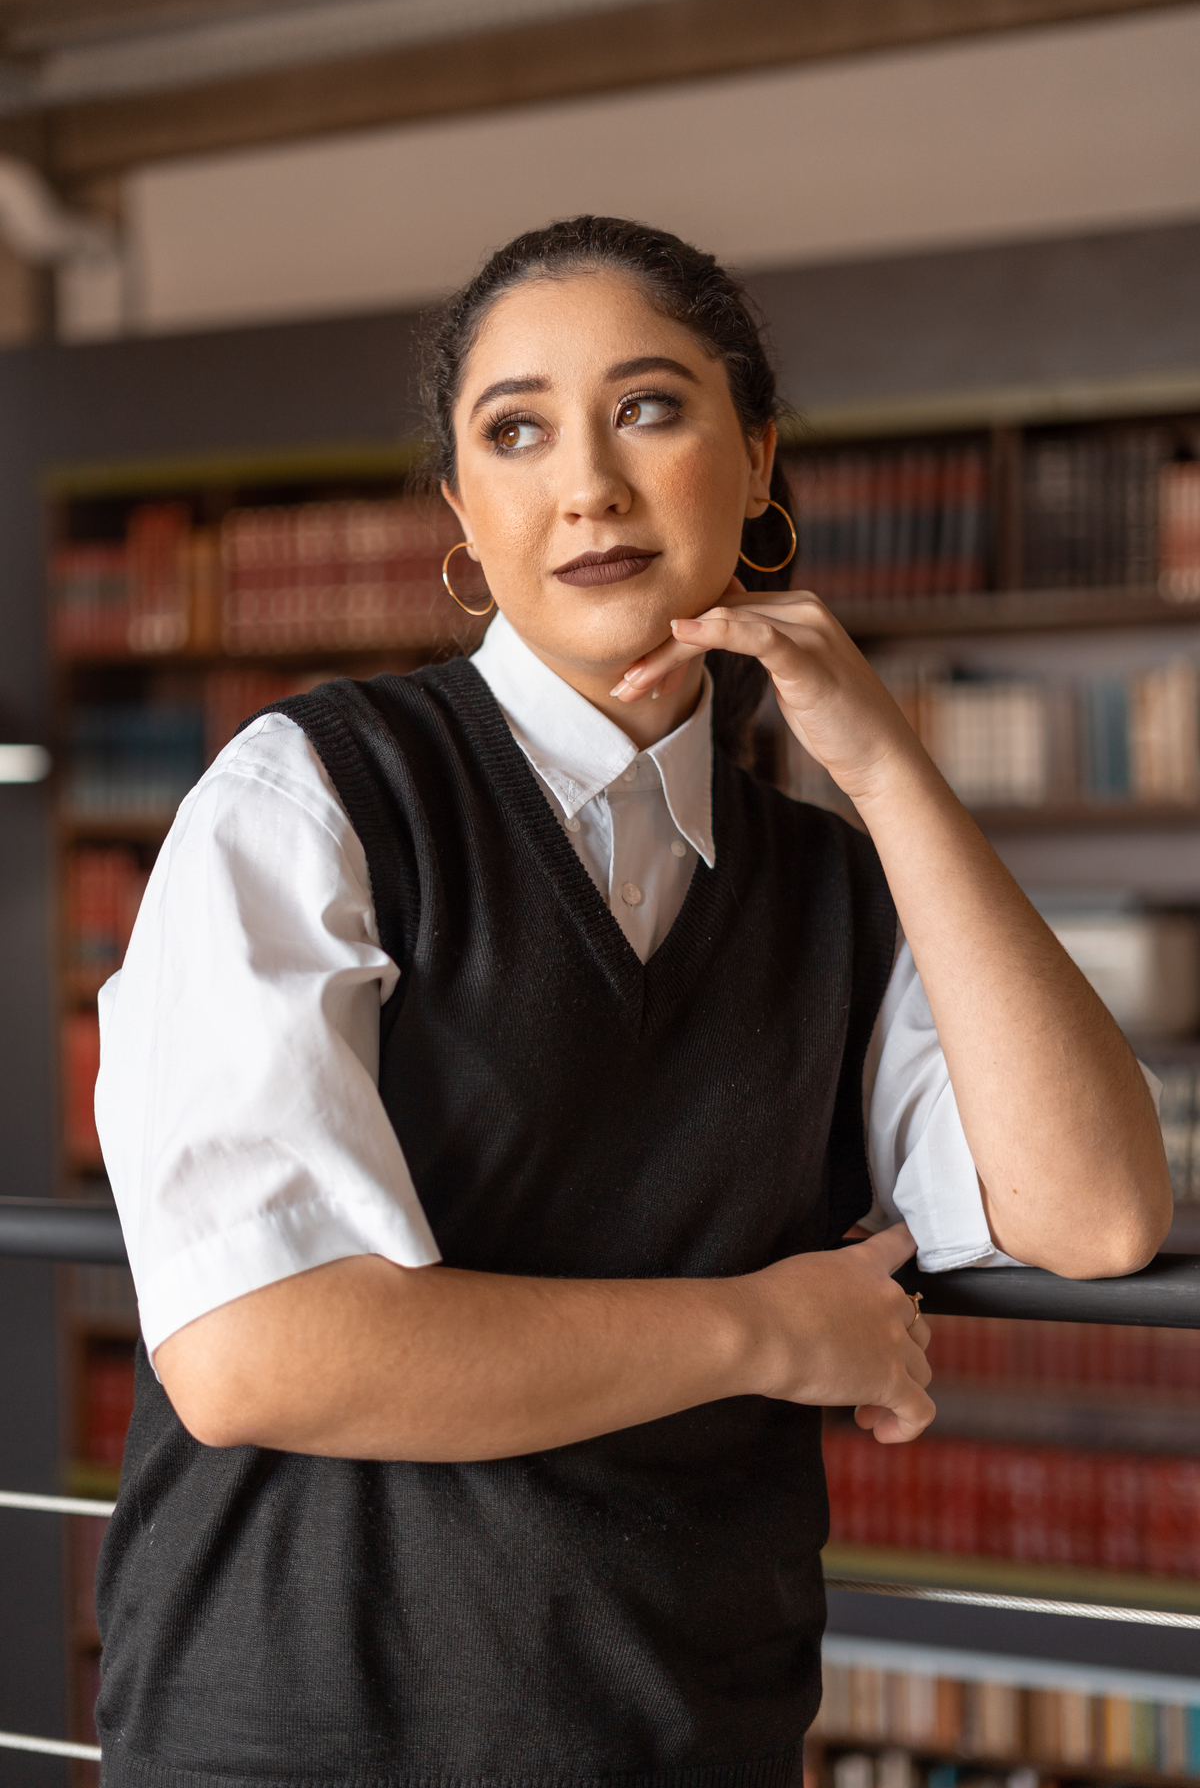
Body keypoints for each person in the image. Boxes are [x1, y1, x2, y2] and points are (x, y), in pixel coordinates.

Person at [93, 215, 1170, 1788]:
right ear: (465, 511)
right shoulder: (312, 789)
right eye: (515, 431)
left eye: (650, 409)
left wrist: (885, 764)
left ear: (756, 461)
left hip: (689, 1737)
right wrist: (770, 1331)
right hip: (300, 1742)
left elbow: (1096, 1213)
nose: (585, 484)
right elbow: (263, 1350)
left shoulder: (838, 888)